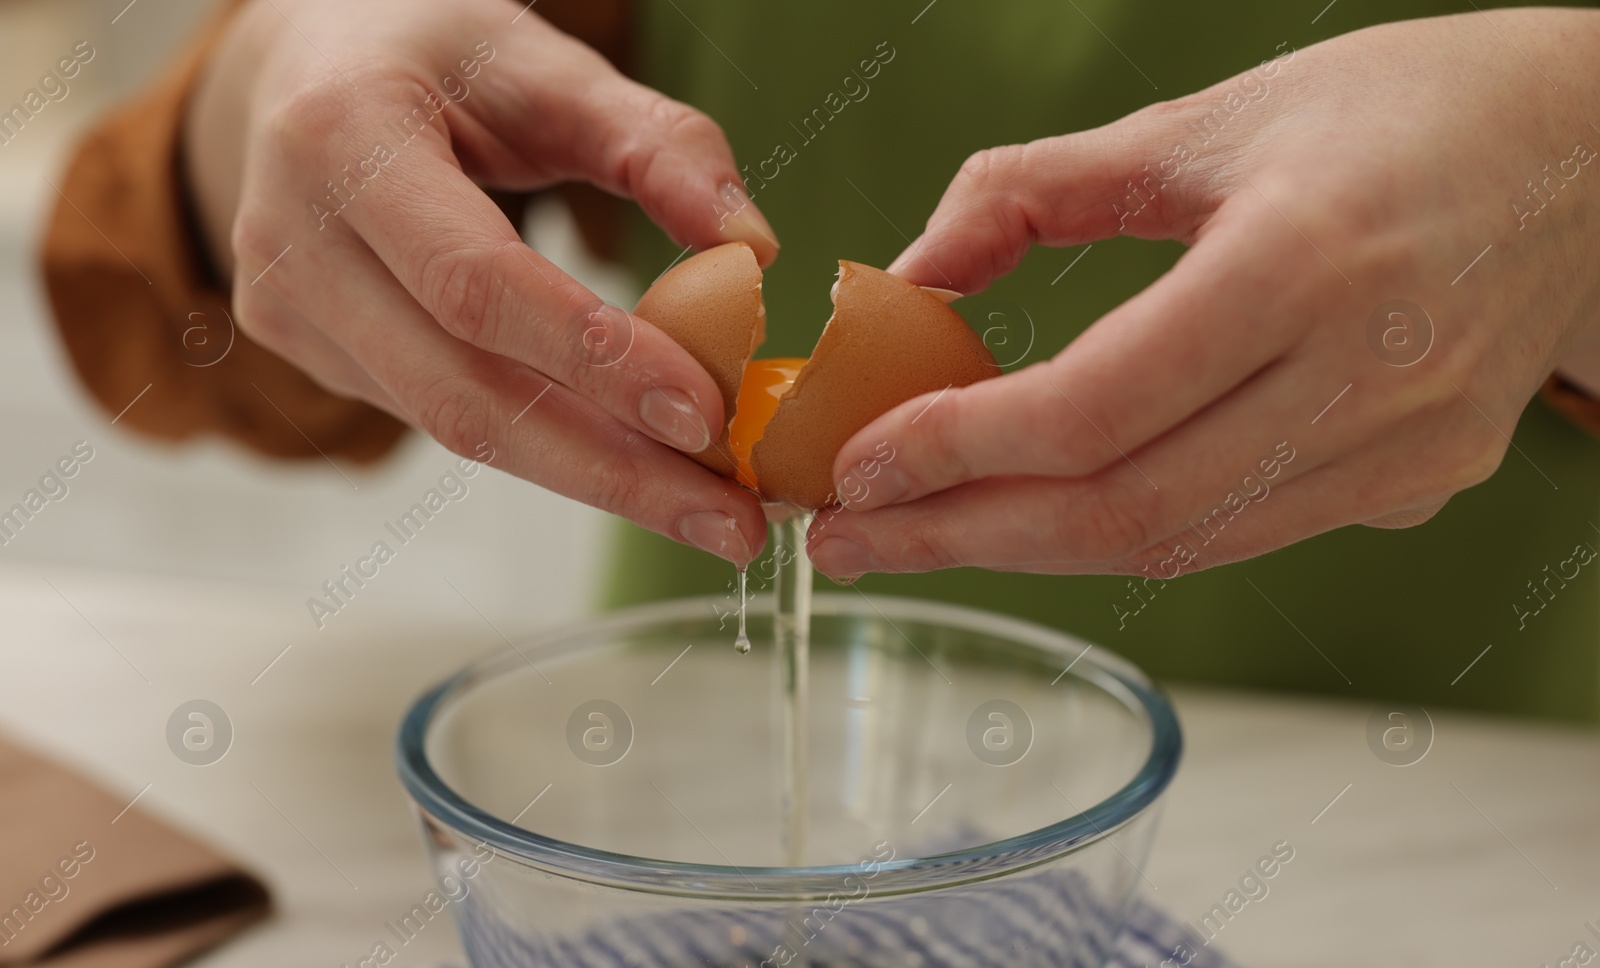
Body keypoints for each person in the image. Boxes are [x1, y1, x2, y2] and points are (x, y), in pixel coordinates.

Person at [41, 0, 1600, 720]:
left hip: (1494, 835)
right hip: (680, 784)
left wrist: (1570, 155)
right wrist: (274, 89)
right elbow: (148, 308)